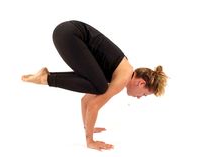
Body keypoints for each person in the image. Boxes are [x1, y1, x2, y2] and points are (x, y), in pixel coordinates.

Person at [21, 20, 168, 151]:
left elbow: (85, 100)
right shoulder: (122, 77)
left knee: (98, 85)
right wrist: (90, 140)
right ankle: (46, 78)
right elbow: (93, 106)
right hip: (69, 35)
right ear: (141, 83)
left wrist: (88, 126)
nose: (139, 98)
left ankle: (46, 77)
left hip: (65, 32)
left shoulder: (117, 71)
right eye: (143, 94)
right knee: (100, 87)